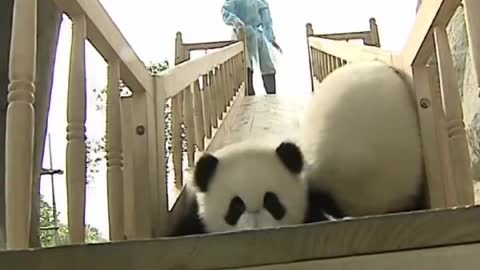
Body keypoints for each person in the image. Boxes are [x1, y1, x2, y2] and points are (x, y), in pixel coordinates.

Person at [222, 0, 282, 95]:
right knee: (246, 64)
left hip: (257, 34)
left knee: (267, 64)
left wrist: (271, 38)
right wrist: (236, 22)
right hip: (240, 34)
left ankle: (271, 94)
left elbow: (266, 21)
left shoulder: (260, 1)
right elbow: (226, 11)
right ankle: (249, 94)